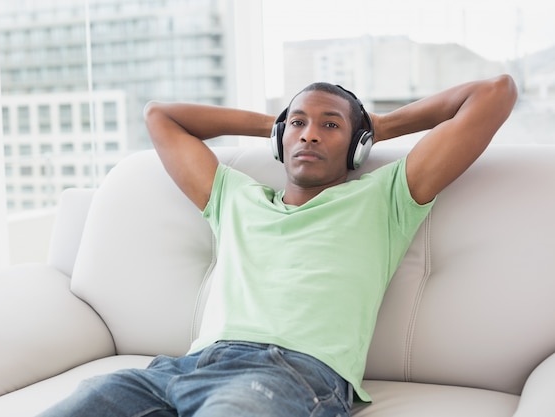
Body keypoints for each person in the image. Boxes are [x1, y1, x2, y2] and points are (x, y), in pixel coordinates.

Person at [37, 74, 517, 417]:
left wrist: (378, 125)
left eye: (331, 125)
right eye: (298, 124)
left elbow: (494, 93)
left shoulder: (386, 197)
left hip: (290, 373)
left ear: (357, 147)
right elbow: (160, 116)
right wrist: (279, 120)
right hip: (182, 369)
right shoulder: (234, 196)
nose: (309, 133)